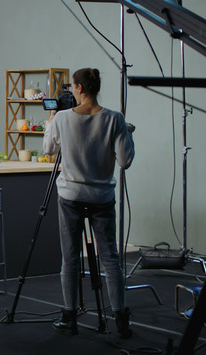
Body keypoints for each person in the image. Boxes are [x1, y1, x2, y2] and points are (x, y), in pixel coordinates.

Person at [41, 68, 135, 338]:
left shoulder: (61, 118)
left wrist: (50, 121)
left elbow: (48, 150)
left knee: (70, 257)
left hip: (70, 196)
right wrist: (128, 133)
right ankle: (120, 319)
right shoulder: (115, 118)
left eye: (72, 86)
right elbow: (125, 161)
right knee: (110, 258)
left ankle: (69, 317)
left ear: (79, 88)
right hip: (102, 197)